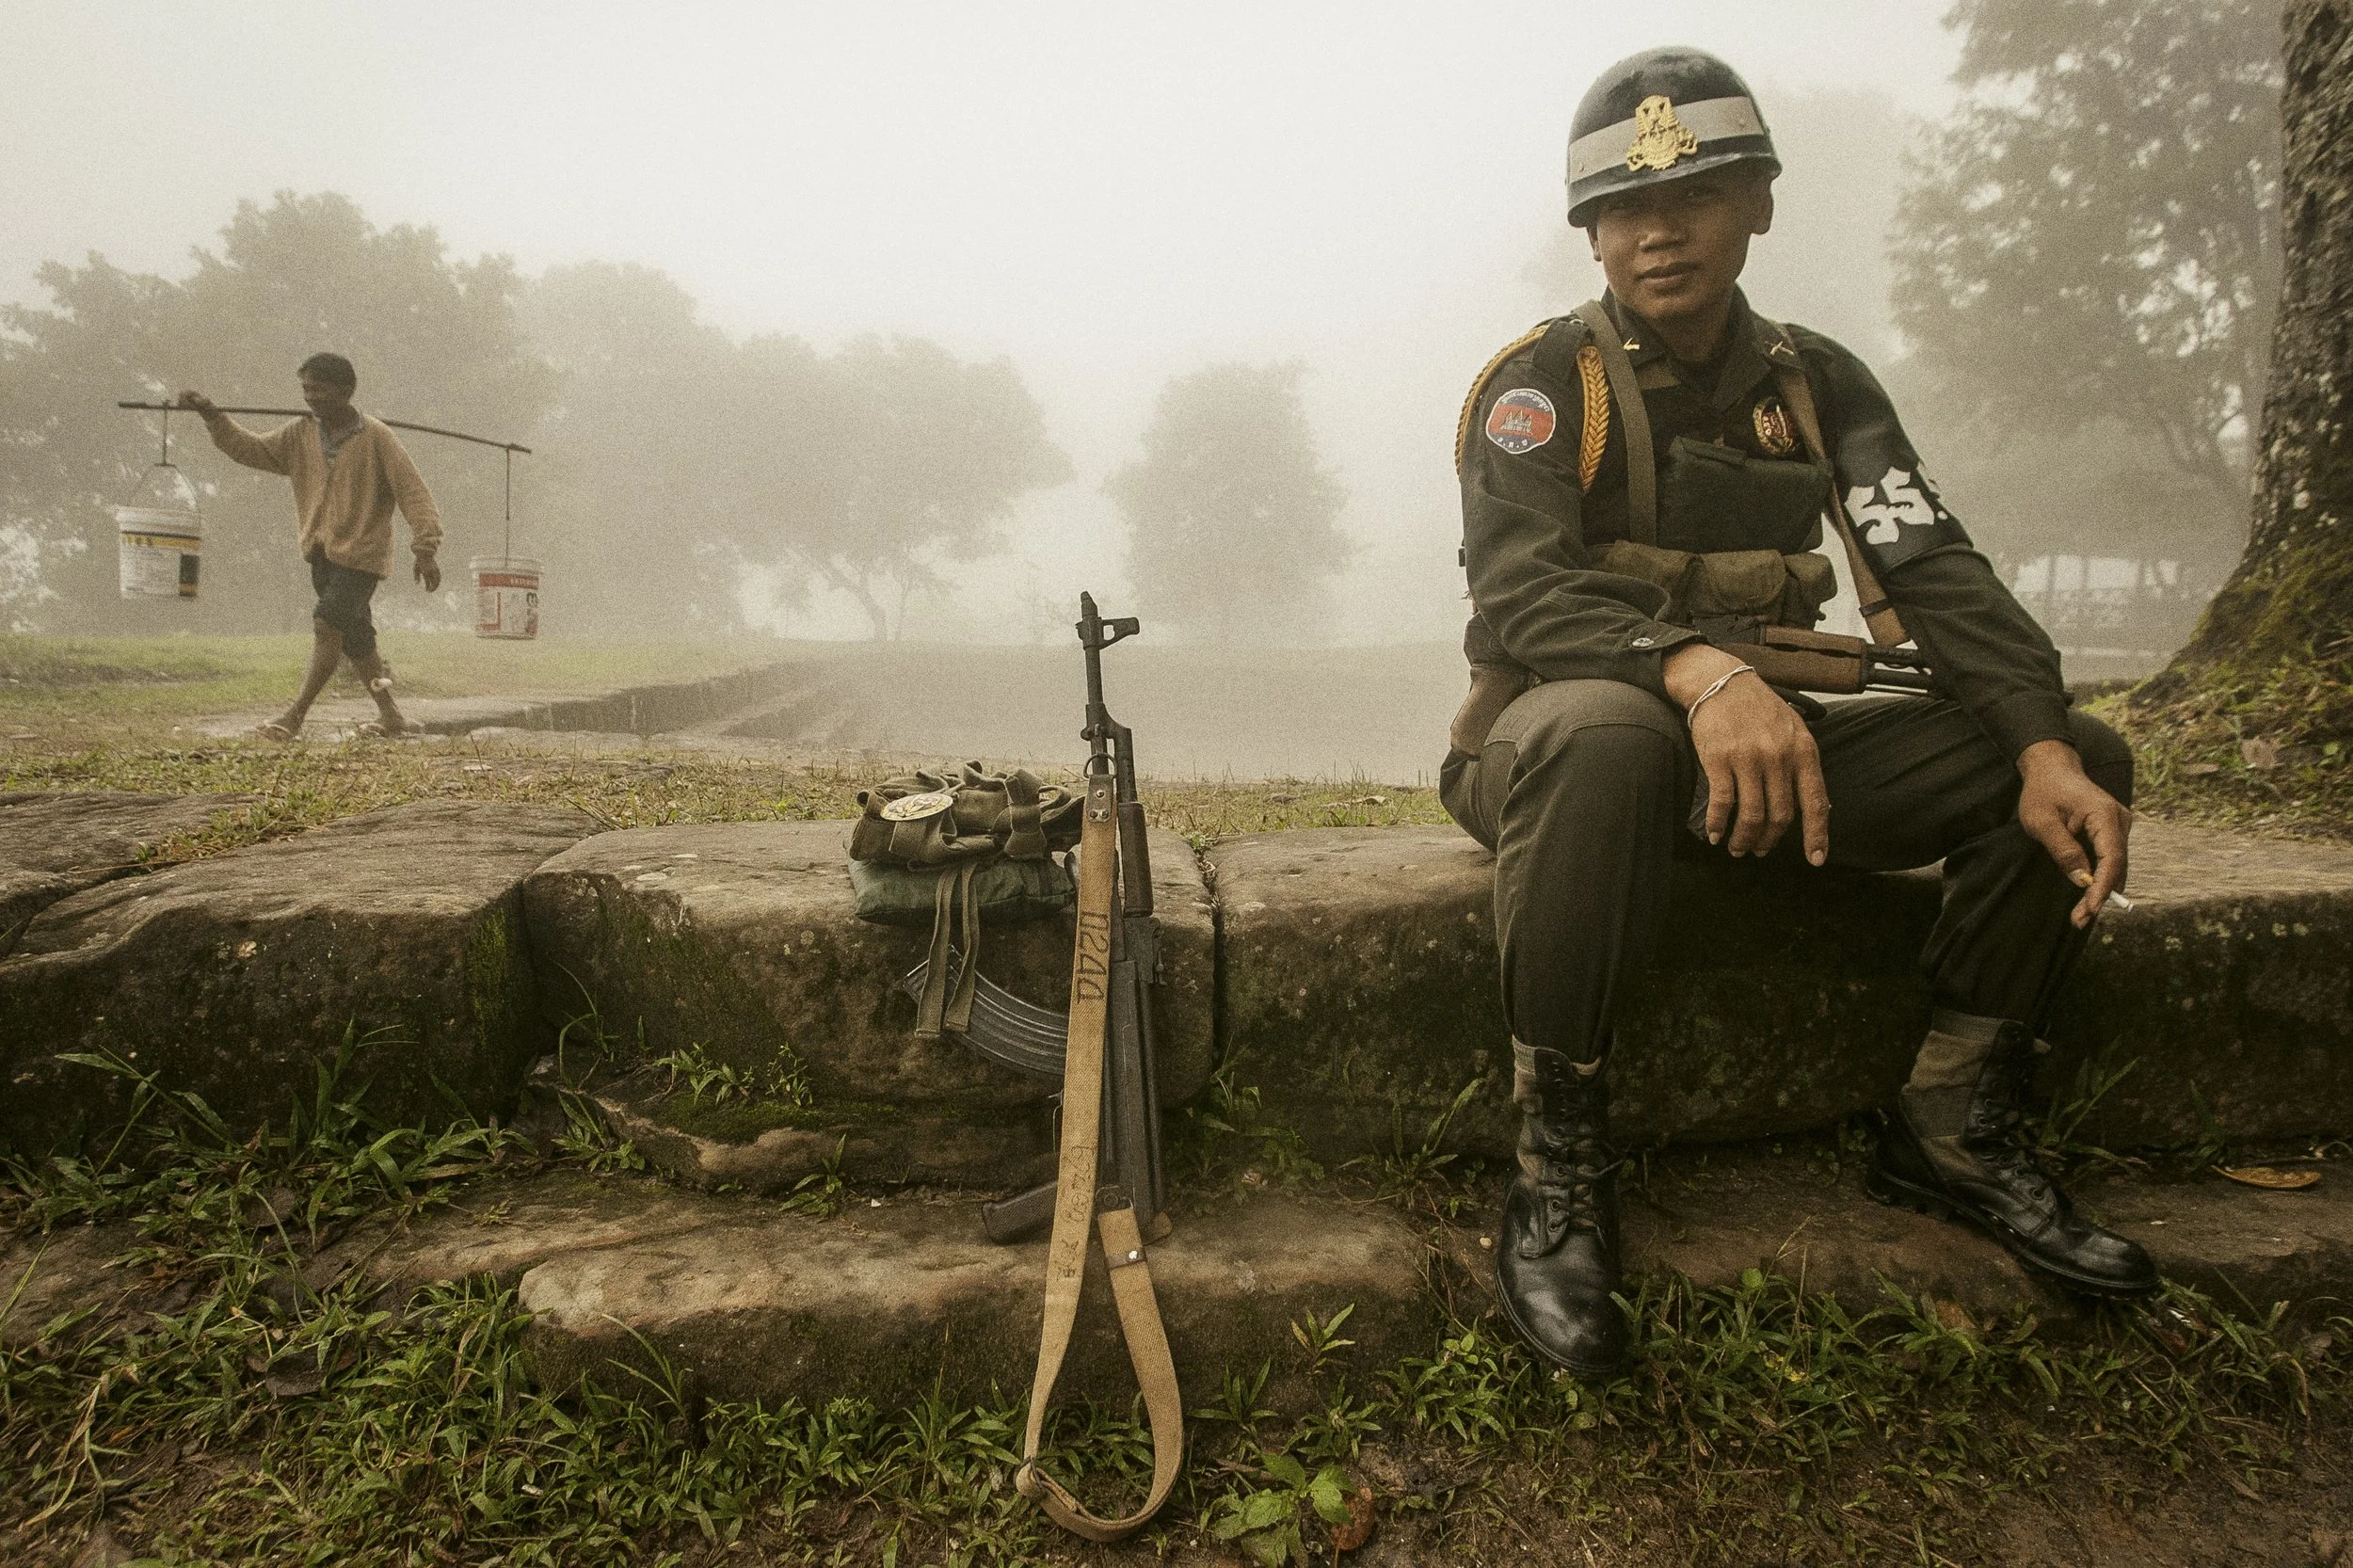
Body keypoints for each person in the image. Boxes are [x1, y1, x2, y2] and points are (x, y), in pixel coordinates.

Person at [1442, 47, 2154, 1378]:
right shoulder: (1545, 388)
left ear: (1759, 203)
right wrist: (1701, 673)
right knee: (1604, 737)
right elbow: (1523, 590)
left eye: (1700, 192)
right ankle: (1559, 1160)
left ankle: (1949, 1121)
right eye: (1625, 208)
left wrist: (2044, 742)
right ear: (1590, 232)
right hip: (1560, 755)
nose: (1661, 229)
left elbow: (1932, 565)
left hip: (1773, 741)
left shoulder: (1815, 383)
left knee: (2070, 753)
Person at [179, 353, 443, 739]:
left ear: (346, 391)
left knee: (326, 624)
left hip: (362, 556)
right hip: (320, 554)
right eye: (306, 389)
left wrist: (426, 548)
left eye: (319, 389)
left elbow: (414, 494)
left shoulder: (376, 438)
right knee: (357, 640)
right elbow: (249, 449)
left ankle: (294, 717)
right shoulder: (299, 434)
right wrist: (212, 416)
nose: (311, 398)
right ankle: (391, 716)